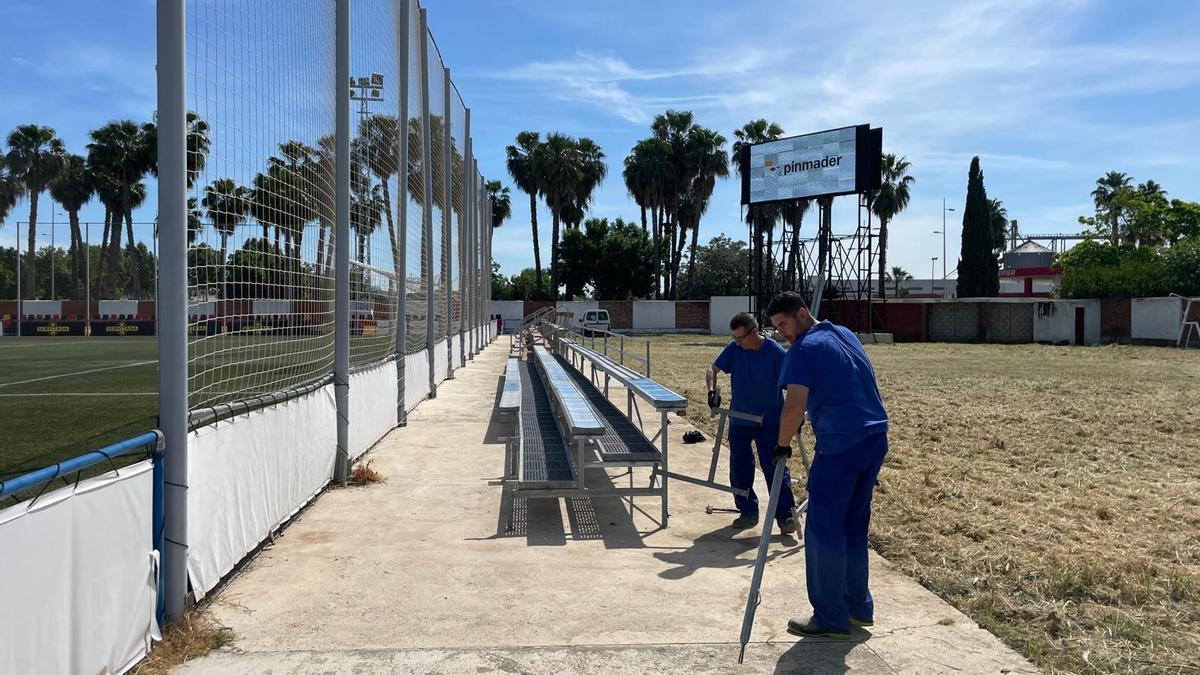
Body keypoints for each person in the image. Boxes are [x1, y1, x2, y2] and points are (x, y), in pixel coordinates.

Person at [767, 292, 889, 641]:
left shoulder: (804, 349)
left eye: (785, 325)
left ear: (803, 314)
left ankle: (830, 616)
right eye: (777, 328)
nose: (783, 333)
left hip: (842, 444)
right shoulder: (843, 334)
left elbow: (793, 406)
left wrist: (781, 445)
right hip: (874, 436)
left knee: (823, 529)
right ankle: (857, 607)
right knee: (853, 525)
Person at [705, 312, 797, 534]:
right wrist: (711, 392)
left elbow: (793, 385)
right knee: (740, 467)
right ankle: (747, 512)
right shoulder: (734, 349)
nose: (736, 342)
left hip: (770, 422)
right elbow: (712, 369)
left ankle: (785, 516)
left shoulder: (775, 352)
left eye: (740, 338)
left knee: (774, 468)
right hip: (740, 420)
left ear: (754, 332)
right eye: (734, 338)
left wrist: (796, 414)